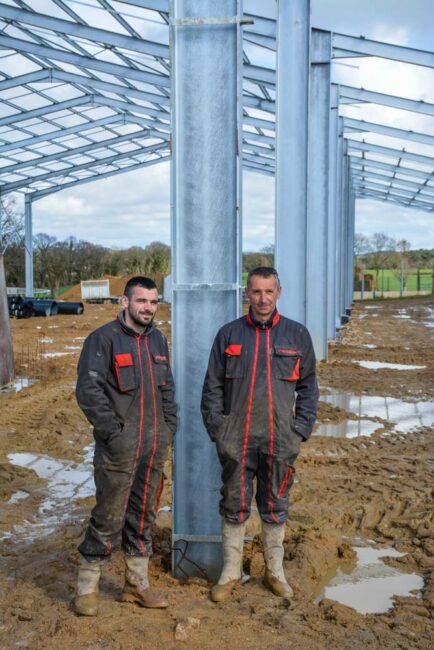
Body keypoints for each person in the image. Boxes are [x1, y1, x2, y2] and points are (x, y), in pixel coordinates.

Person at [201, 267, 318, 602]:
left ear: (279, 292)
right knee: (234, 502)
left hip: (281, 439)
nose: (263, 299)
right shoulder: (229, 335)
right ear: (246, 294)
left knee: (275, 502)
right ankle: (230, 573)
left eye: (269, 291)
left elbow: (309, 387)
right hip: (236, 438)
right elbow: (211, 388)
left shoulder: (297, 335)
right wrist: (219, 430)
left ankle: (275, 572)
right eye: (256, 292)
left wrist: (301, 429)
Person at [74, 276, 177, 616]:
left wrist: (167, 430)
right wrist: (113, 433)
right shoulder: (103, 339)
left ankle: (136, 584)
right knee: (109, 516)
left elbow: (167, 391)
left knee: (144, 516)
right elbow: (89, 392)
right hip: (119, 450)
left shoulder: (158, 340)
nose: (148, 307)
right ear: (125, 302)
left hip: (153, 448)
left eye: (153, 302)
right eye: (141, 301)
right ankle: (87, 586)